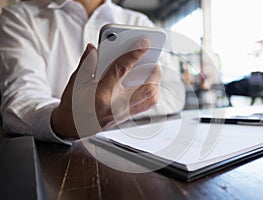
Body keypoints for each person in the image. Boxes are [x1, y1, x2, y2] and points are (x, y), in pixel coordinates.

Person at [0, 0, 185, 144]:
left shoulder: (139, 22)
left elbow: (174, 92)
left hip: (131, 149)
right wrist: (61, 119)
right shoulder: (20, 18)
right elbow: (21, 101)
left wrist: (119, 110)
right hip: (55, 161)